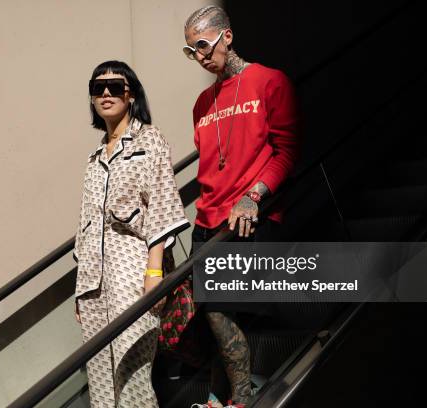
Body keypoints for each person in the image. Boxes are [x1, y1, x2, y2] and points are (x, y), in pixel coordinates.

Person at [183, 5, 300, 408]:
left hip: (246, 221)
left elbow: (286, 152)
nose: (198, 55)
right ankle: (218, 400)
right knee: (212, 320)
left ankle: (242, 398)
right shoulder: (202, 103)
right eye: (190, 50)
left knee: (217, 312)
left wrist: (254, 196)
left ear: (226, 36)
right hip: (207, 223)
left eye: (202, 44)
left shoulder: (269, 81)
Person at [72, 60, 191, 408]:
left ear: (131, 93)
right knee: (100, 380)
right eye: (98, 88)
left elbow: (162, 209)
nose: (106, 93)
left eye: (115, 86)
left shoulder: (150, 140)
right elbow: (84, 226)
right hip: (93, 284)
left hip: (133, 277)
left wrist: (155, 276)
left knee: (134, 377)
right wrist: (80, 289)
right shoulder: (94, 158)